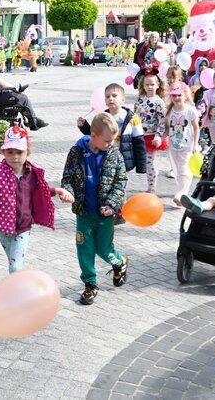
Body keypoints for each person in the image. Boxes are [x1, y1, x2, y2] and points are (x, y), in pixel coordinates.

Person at [0, 126, 73, 272]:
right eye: (10, 152)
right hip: (3, 227)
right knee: (13, 261)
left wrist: (58, 190)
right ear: (3, 152)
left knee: (15, 266)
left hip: (23, 227)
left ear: (27, 152)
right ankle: (20, 279)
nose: (15, 156)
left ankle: (18, 285)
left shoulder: (32, 173)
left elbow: (41, 191)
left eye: (19, 152)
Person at [61, 113, 128, 305]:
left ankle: (119, 262)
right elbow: (67, 177)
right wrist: (68, 192)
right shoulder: (77, 152)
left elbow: (121, 181)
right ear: (93, 135)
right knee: (84, 248)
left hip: (105, 214)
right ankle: (90, 283)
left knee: (104, 249)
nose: (111, 144)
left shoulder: (114, 154)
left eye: (113, 140)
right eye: (107, 140)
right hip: (84, 213)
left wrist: (112, 204)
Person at [77, 83, 147, 175]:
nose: (110, 98)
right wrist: (84, 126)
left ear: (123, 99)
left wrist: (141, 166)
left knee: (120, 181)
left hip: (123, 161)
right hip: (105, 159)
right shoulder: (102, 118)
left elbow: (139, 143)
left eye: (114, 96)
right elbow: (94, 135)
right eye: (107, 96)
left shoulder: (133, 119)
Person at [0, 47, 49, 130]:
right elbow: (2, 84)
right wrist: (15, 89)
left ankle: (33, 120)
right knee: (23, 98)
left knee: (20, 96)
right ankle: (34, 122)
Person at [163, 87, 200, 206]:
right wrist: (161, 138)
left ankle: (179, 194)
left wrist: (195, 144)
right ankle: (183, 194)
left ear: (185, 96)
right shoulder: (169, 111)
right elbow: (167, 129)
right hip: (174, 146)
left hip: (187, 145)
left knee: (184, 169)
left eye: (179, 95)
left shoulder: (190, 111)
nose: (176, 98)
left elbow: (196, 128)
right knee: (177, 171)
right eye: (174, 95)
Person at [134, 74, 167, 194]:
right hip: (139, 135)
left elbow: (162, 121)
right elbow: (135, 116)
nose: (149, 87)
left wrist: (158, 136)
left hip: (152, 137)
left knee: (149, 163)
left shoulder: (159, 102)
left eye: (152, 84)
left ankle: (151, 188)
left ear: (158, 85)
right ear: (143, 85)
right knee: (142, 162)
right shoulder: (140, 100)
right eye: (147, 84)